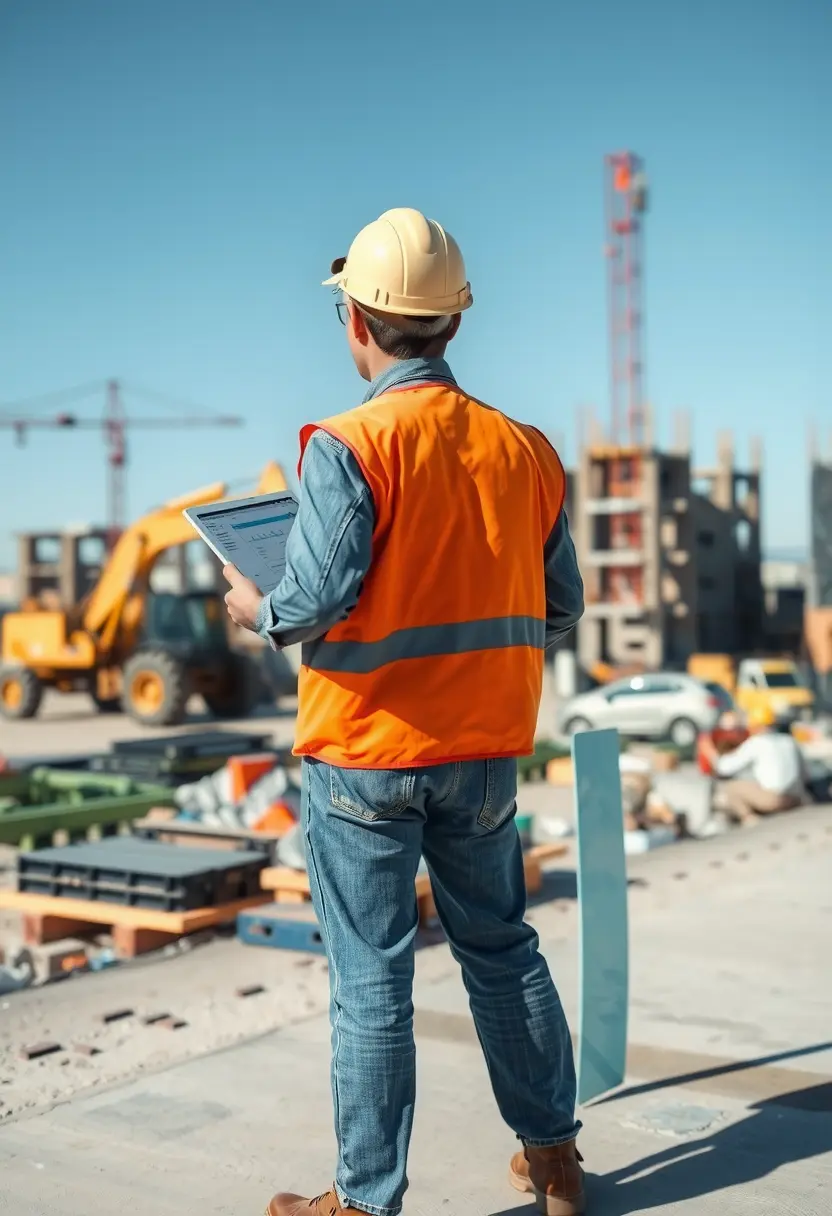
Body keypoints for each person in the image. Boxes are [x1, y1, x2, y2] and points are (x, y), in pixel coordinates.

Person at [222, 208, 586, 1216]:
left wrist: (260, 608)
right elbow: (562, 604)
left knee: (372, 980)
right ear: (453, 326)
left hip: (366, 755)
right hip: (482, 753)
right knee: (501, 946)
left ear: (356, 324)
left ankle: (367, 1201)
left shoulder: (350, 444)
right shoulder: (526, 451)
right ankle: (555, 1162)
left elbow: (313, 597)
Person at [701, 703, 806, 824]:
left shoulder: (756, 743)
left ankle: (749, 818)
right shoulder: (788, 741)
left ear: (755, 724)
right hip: (796, 798)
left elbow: (724, 768)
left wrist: (709, 751)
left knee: (731, 787)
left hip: (775, 800)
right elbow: (805, 774)